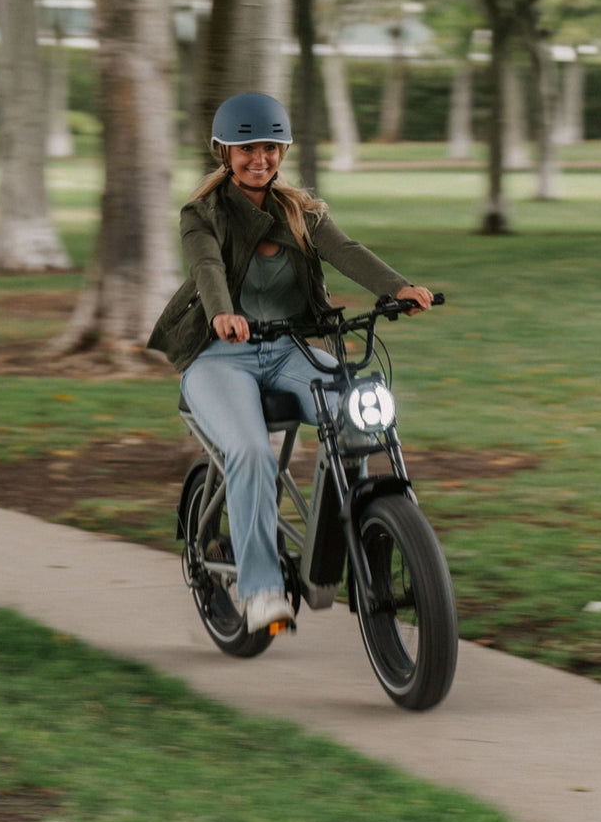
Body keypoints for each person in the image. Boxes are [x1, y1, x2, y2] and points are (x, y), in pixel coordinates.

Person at [148, 92, 433, 634]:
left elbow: (346, 250)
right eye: (247, 148)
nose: (260, 159)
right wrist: (223, 315)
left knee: (358, 416)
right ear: (223, 152)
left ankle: (364, 530)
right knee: (252, 451)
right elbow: (207, 267)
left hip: (292, 350)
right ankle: (259, 590)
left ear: (283, 151)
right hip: (218, 357)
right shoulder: (201, 214)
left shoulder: (300, 211)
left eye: (271, 148)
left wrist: (398, 287)